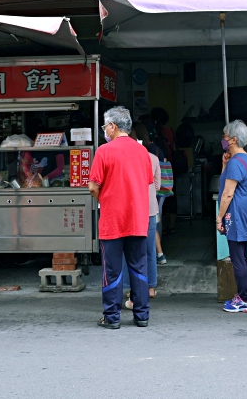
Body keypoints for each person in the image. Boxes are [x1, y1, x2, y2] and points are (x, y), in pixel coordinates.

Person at [88, 106, 153, 330]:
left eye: (105, 126)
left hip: (112, 221)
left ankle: (112, 317)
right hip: (137, 220)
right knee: (138, 268)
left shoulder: (104, 152)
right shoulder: (142, 152)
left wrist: (106, 198)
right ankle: (142, 316)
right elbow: (144, 183)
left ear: (113, 126)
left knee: (112, 270)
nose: (105, 130)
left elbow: (93, 187)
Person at [216, 119, 247, 313]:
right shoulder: (244, 158)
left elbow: (227, 193)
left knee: (237, 258)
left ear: (232, 139)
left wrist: (219, 217)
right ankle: (246, 295)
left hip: (236, 214)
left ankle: (244, 298)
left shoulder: (235, 163)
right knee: (241, 255)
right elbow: (227, 182)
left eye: (224, 136)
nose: (222, 140)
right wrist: (224, 165)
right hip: (245, 212)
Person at [124, 123, 161, 309]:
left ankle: (131, 289)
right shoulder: (153, 158)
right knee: (149, 250)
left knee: (129, 251)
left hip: (131, 210)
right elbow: (157, 185)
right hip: (150, 209)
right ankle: (150, 287)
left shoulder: (127, 158)